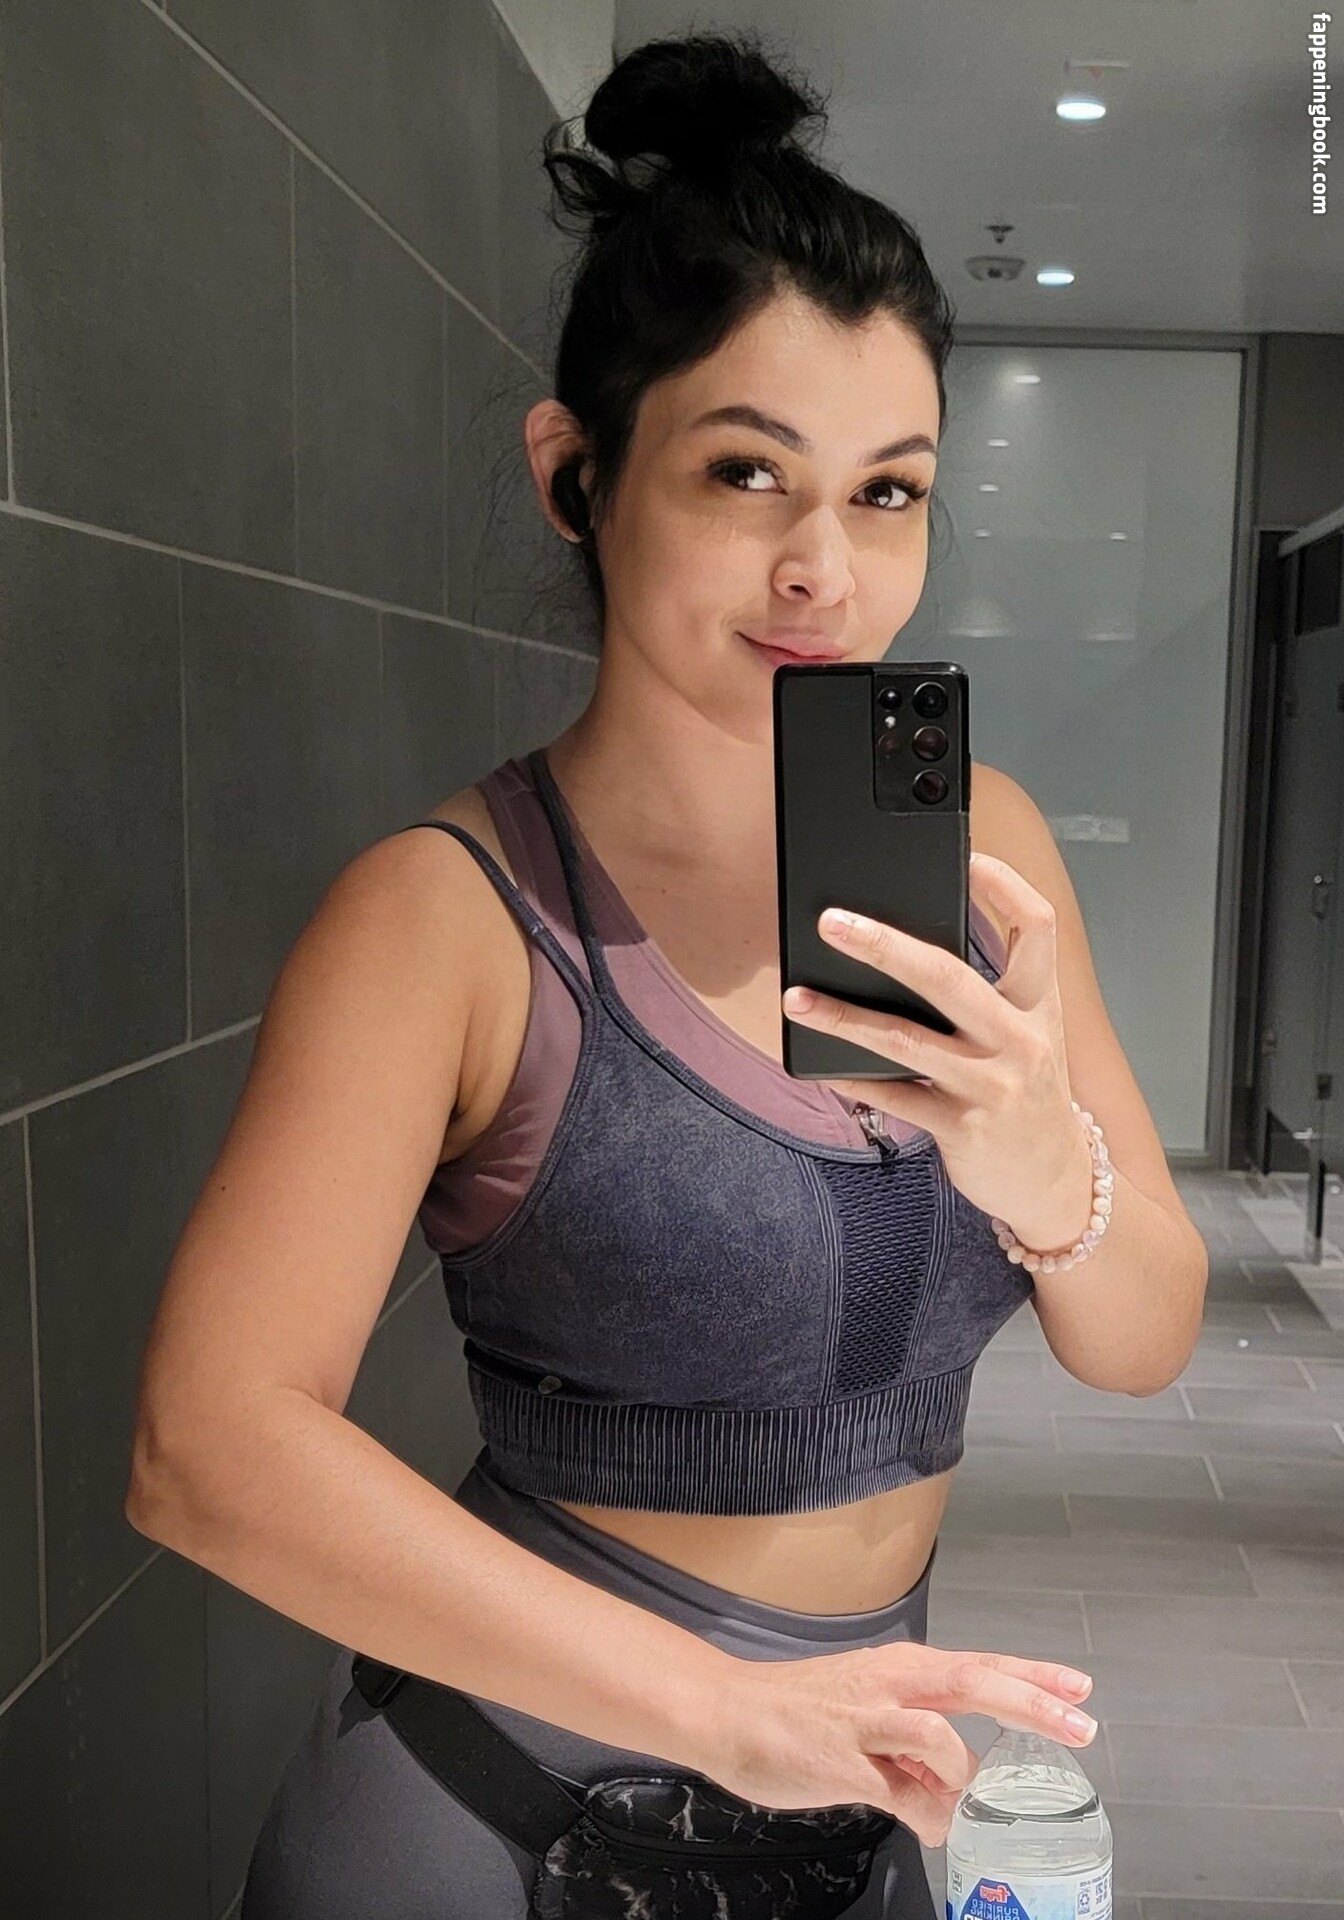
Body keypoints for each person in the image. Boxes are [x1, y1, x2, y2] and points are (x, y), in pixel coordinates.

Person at [125, 28, 1208, 1920]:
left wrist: (1058, 1180)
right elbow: (205, 1449)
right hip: (497, 1823)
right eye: (745, 472)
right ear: (577, 476)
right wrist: (723, 1709)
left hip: (856, 1810)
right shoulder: (449, 916)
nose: (824, 571)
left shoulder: (991, 851)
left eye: (888, 492)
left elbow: (1145, 1340)